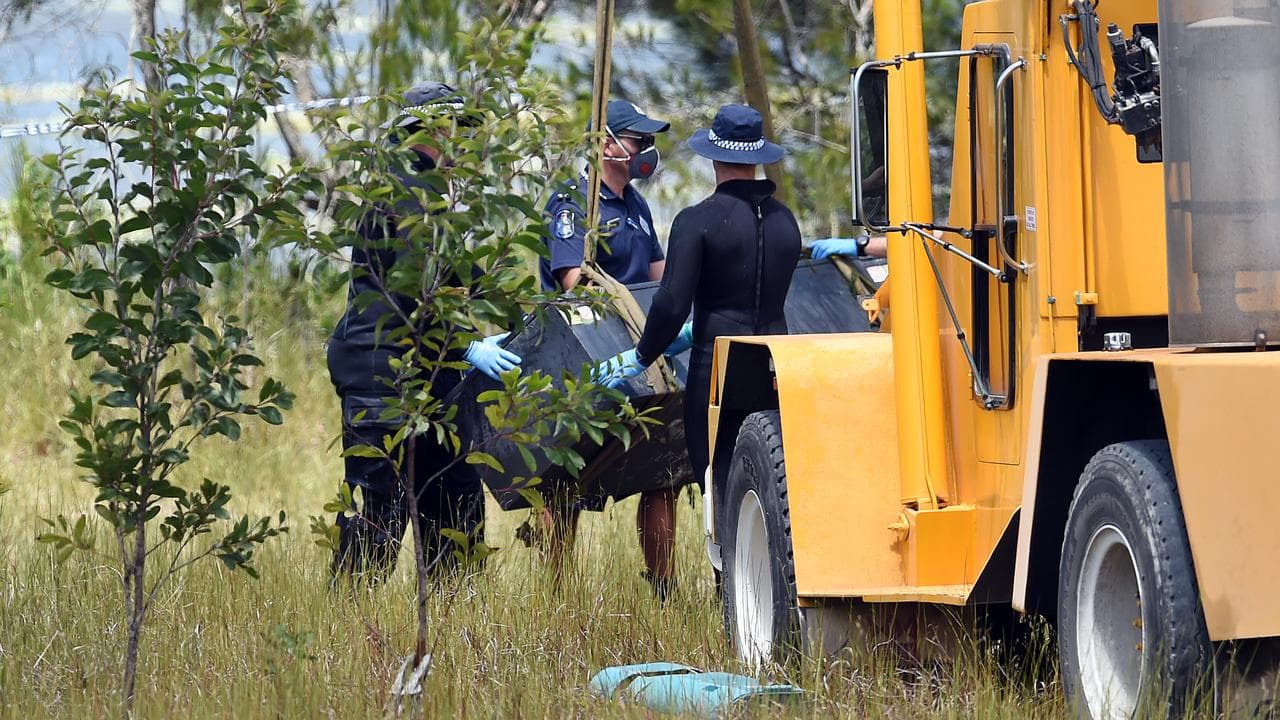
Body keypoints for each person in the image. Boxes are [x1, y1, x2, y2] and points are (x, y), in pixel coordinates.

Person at [595, 103, 802, 576]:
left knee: (719, 480)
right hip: (777, 365)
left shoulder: (697, 221)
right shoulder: (786, 221)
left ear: (714, 158)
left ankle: (727, 589)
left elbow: (671, 303)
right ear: (756, 158)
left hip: (719, 370)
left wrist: (643, 354)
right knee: (774, 482)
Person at [327, 81, 521, 583]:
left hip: (431, 376)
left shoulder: (430, 194)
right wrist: (468, 345)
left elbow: (462, 277)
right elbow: (417, 289)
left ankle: (454, 613)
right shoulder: (406, 193)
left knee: (456, 504)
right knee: (379, 514)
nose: (467, 142)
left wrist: (522, 319)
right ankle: (349, 616)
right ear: (434, 129)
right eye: (460, 129)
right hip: (385, 375)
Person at [536, 99, 687, 597]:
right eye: (638, 140)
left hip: (644, 355)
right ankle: (558, 592)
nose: (646, 149)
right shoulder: (573, 204)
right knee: (566, 482)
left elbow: (660, 278)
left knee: (663, 470)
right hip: (587, 358)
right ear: (607, 145)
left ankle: (663, 587)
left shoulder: (637, 206)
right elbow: (572, 281)